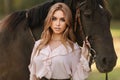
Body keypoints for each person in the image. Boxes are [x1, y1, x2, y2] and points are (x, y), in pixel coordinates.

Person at [28, 2, 91, 80]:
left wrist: (84, 57)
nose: (57, 24)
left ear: (67, 23)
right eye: (54, 19)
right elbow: (33, 76)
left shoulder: (73, 49)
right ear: (49, 20)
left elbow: (77, 77)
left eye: (62, 20)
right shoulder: (39, 45)